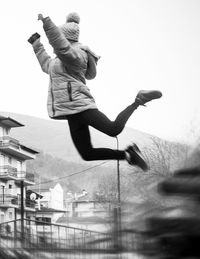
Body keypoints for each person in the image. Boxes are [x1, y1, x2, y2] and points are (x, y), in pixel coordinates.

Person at [28, 12, 162, 171]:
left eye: (60, 42)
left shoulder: (77, 55)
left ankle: (138, 100)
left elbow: (61, 48)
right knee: (87, 153)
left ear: (65, 39)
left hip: (81, 105)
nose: (57, 48)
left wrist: (47, 24)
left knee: (113, 129)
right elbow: (46, 65)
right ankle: (128, 155)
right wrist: (37, 44)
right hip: (70, 111)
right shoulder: (58, 60)